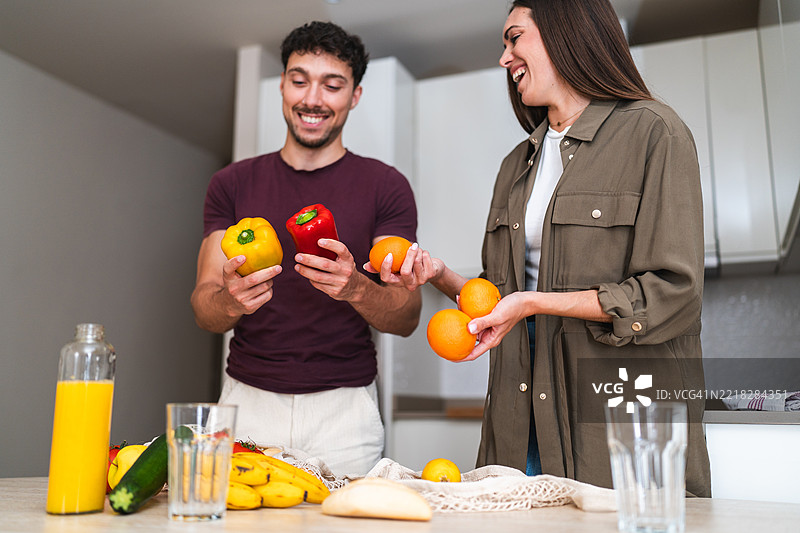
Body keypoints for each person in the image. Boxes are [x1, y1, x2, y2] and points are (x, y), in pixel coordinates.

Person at [381, 0, 711, 496]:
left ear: (565, 31)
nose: (504, 58)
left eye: (514, 38)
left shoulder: (653, 132)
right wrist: (443, 276)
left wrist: (534, 303)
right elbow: (499, 299)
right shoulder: (517, 164)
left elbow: (673, 293)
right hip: (516, 425)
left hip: (609, 424)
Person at [191, 21, 421, 477]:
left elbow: (407, 316)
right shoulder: (231, 183)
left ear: (354, 95)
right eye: (299, 80)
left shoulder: (386, 187)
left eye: (332, 85)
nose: (312, 99)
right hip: (247, 401)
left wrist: (356, 287)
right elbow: (203, 308)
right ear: (282, 85)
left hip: (345, 411)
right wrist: (230, 299)